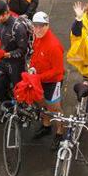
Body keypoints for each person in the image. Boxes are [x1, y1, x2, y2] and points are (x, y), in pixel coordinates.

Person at [29, 12, 66, 145]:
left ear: (47, 25)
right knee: (41, 103)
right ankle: (46, 126)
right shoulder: (37, 37)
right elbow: (35, 54)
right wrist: (32, 67)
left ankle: (60, 132)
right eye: (35, 26)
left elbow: (58, 71)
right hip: (39, 79)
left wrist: (38, 77)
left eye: (41, 26)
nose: (38, 29)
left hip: (52, 82)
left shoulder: (54, 46)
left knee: (54, 108)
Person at [0, 0, 33, 120]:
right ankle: (8, 107)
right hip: (1, 60)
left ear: (5, 13)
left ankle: (21, 110)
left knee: (18, 90)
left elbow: (23, 50)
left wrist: (7, 54)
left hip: (16, 63)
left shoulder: (18, 27)